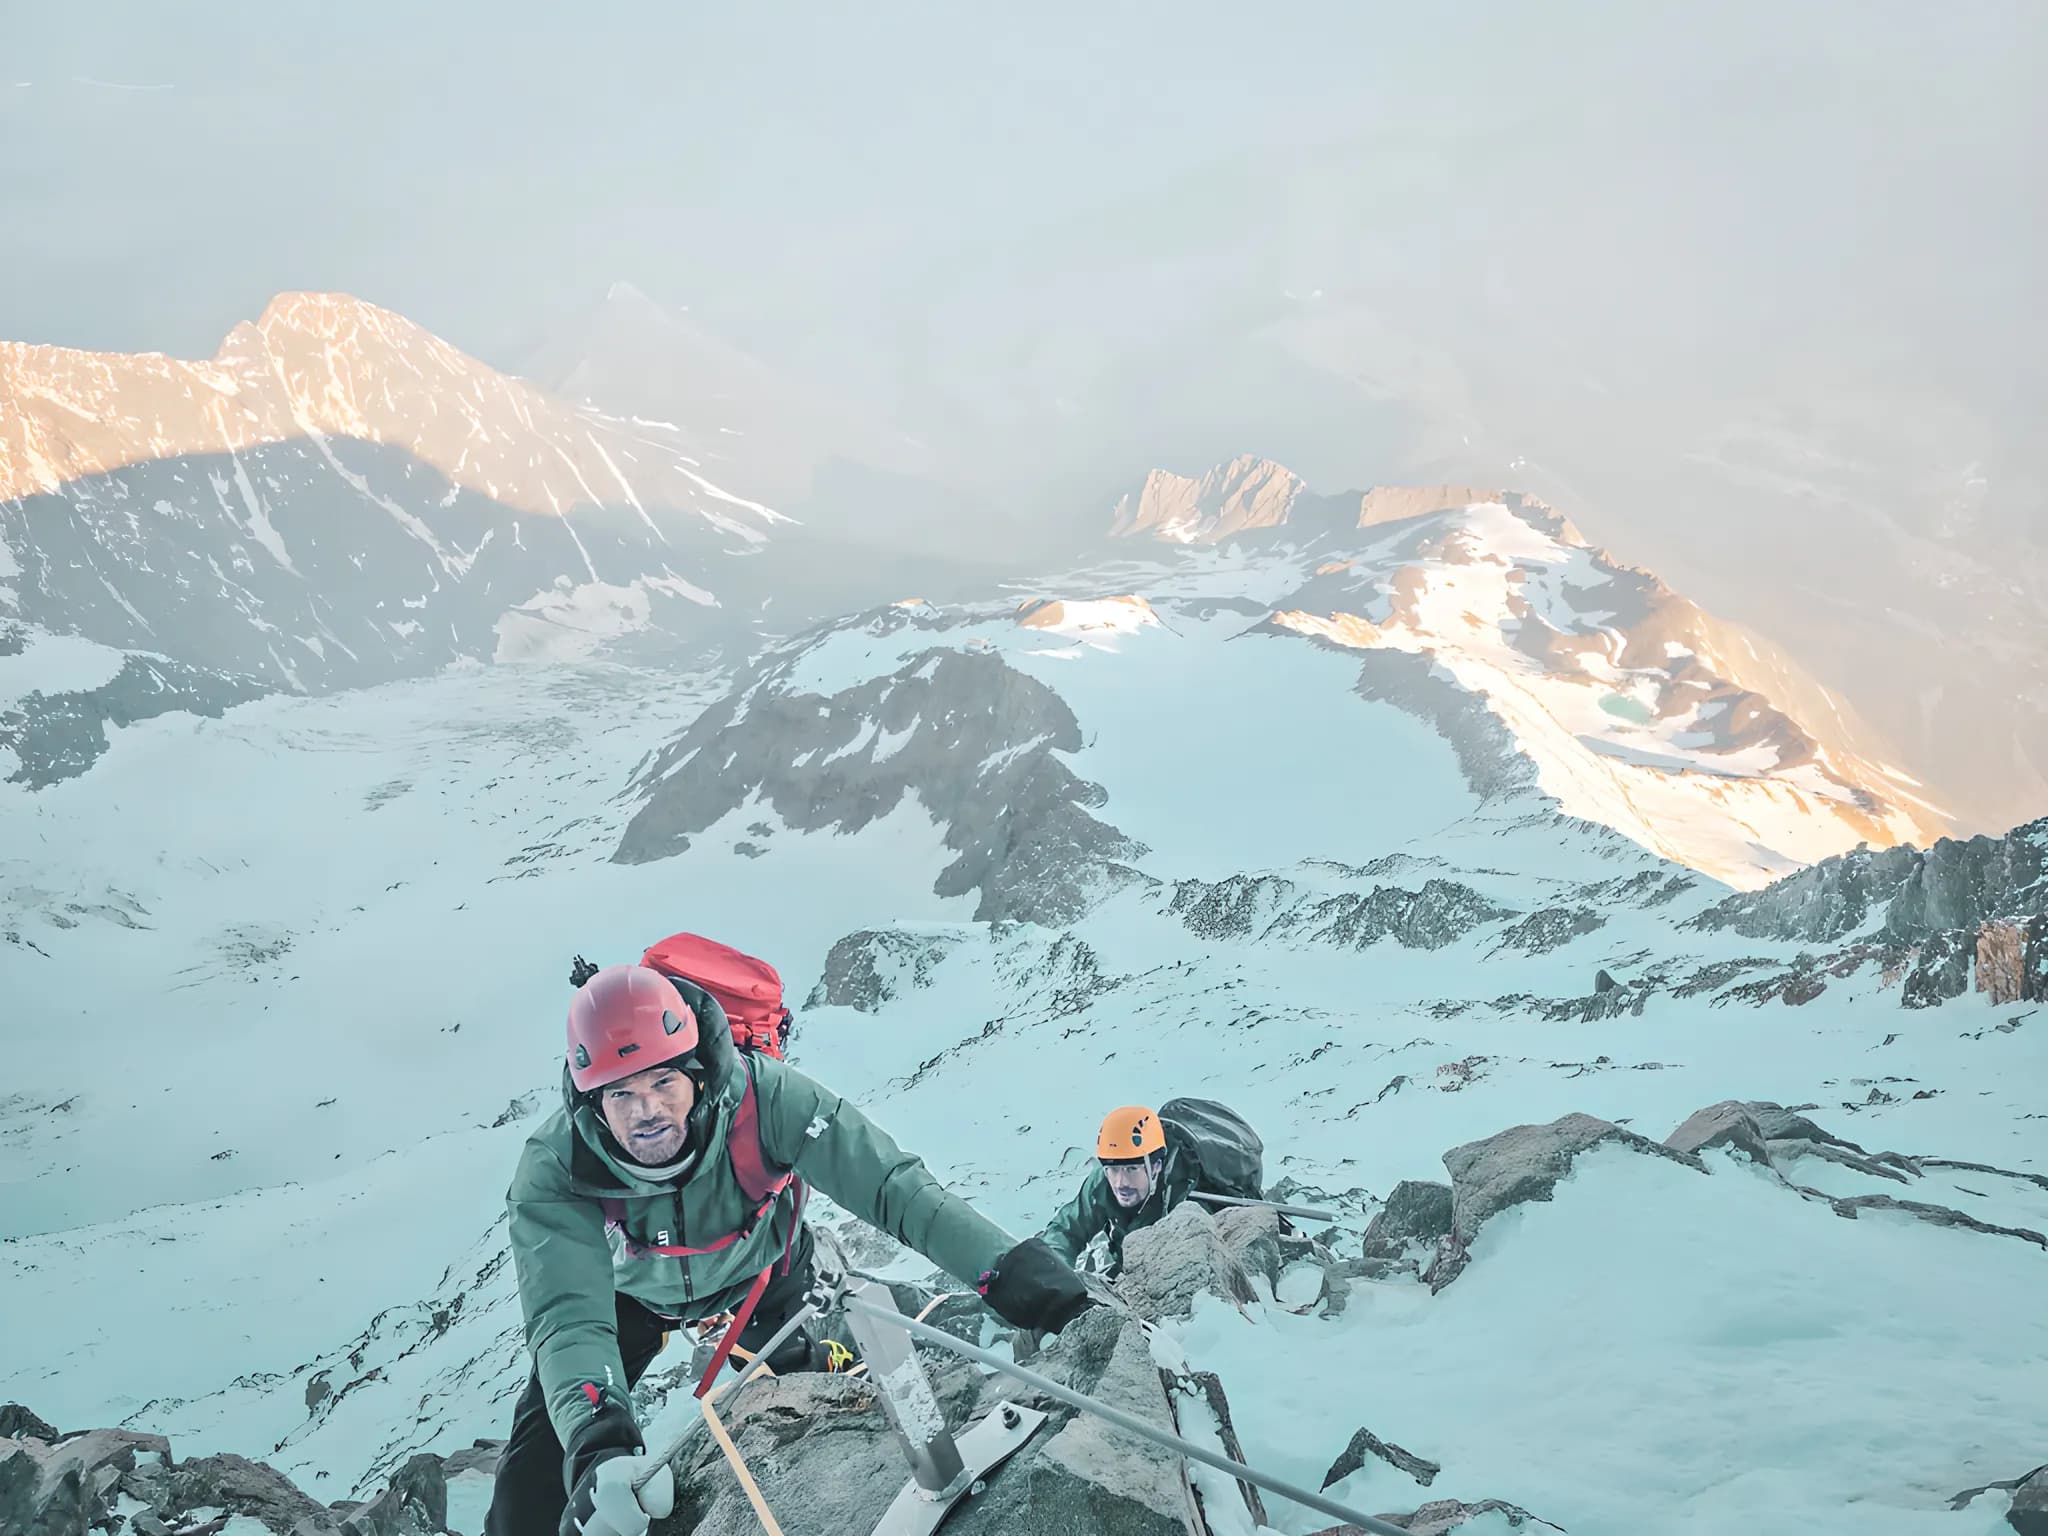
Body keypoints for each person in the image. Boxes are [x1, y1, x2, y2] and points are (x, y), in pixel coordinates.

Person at [484, 963, 1091, 1536]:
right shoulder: (557, 1166)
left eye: (663, 1082)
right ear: (591, 1102)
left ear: (696, 1069)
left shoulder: (765, 1097)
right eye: (621, 1096)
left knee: (820, 1430)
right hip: (630, 1299)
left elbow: (895, 1190)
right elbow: (569, 1318)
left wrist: (1019, 1276)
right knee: (528, 1495)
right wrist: (598, 1443)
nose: (648, 1111)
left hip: (764, 1276)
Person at [1040, 1104, 1232, 1276]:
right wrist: (1054, 1275)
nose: (1120, 1182)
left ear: (1156, 1166)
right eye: (1113, 1169)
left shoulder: (1185, 1195)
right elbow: (1067, 1229)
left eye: (1132, 1169)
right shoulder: (1102, 1182)